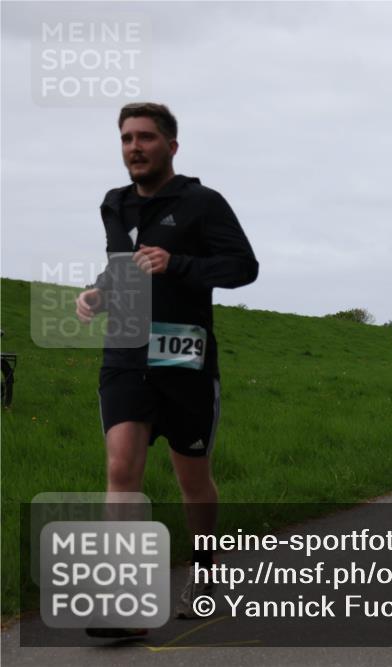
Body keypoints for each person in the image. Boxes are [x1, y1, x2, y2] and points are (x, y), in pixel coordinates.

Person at [75, 103, 258, 633]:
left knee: (192, 478)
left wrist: (177, 264)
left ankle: (204, 574)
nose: (135, 147)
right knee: (121, 469)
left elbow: (243, 267)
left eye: (146, 138)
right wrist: (98, 294)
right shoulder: (114, 205)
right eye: (127, 138)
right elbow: (120, 268)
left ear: (171, 146)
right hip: (126, 355)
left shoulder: (203, 203)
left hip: (185, 360)